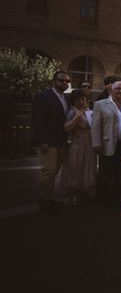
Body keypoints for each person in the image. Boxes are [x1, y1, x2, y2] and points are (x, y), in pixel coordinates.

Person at [32, 70, 70, 214]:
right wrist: (42, 140)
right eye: (61, 80)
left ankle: (49, 198)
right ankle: (43, 202)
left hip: (60, 141)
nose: (65, 83)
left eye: (67, 81)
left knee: (54, 171)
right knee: (48, 172)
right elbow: (37, 120)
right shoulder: (43, 96)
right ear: (54, 81)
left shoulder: (65, 98)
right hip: (47, 141)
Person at [91, 81, 121, 201]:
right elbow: (95, 126)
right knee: (105, 172)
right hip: (107, 144)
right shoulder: (100, 104)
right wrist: (96, 143)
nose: (120, 91)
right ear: (111, 90)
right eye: (117, 89)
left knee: (120, 172)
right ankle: (102, 197)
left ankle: (116, 196)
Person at [60, 89, 96, 205]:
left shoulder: (90, 111)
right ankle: (73, 193)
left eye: (83, 99)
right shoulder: (72, 111)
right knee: (76, 167)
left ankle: (85, 190)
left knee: (88, 167)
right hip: (76, 144)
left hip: (89, 144)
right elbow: (66, 127)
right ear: (73, 101)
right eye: (77, 99)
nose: (80, 102)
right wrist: (78, 116)